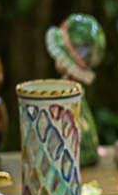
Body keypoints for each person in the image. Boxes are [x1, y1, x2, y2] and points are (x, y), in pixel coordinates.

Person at [45, 13, 106, 167]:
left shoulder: (71, 88)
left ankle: (76, 150)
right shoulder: (66, 83)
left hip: (72, 110)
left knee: (73, 121)